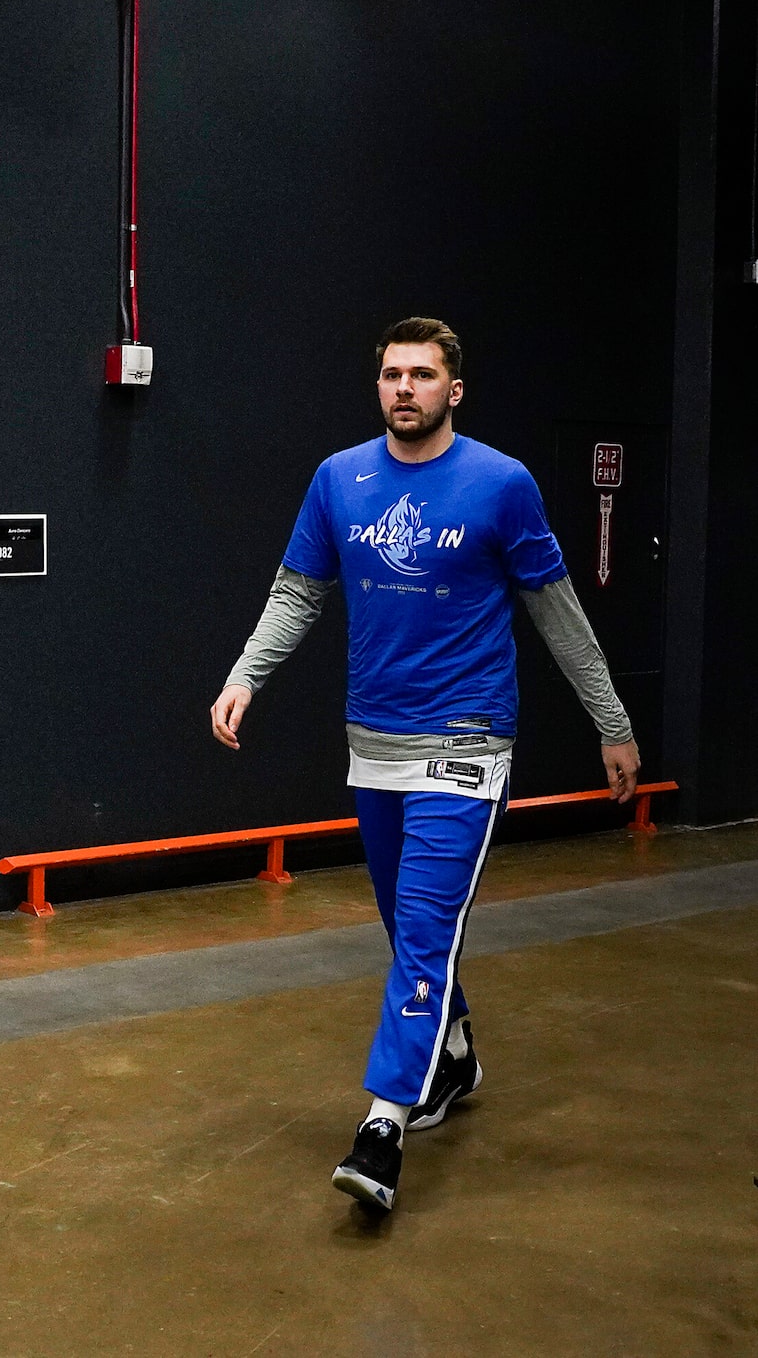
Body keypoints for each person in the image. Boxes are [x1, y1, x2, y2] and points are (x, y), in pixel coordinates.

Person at [210, 317, 638, 1214]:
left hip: (467, 743)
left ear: (455, 389)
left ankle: (382, 1127)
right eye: (392, 375)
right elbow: (298, 593)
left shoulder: (501, 484)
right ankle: (453, 1058)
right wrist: (247, 674)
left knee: (424, 932)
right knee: (414, 936)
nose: (405, 388)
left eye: (423, 375)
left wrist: (612, 721)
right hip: (375, 747)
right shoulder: (340, 479)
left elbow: (558, 613)